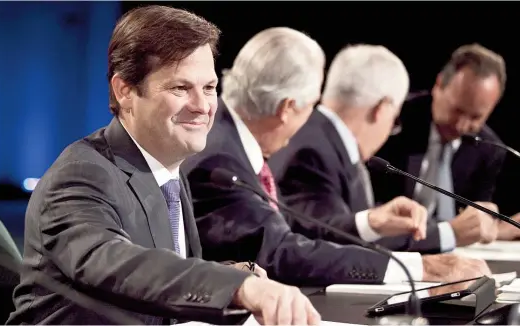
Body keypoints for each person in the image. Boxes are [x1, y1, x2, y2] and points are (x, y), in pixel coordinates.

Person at [8, 6, 320, 326]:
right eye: (180, 88)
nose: (203, 106)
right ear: (125, 91)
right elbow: (114, 262)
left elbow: (161, 280)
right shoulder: (81, 173)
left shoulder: (169, 170)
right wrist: (239, 288)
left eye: (209, 88)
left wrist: (232, 274)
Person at [182, 28, 491, 289]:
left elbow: (290, 230)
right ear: (287, 108)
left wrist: (371, 222)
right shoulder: (219, 163)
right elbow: (280, 253)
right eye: (311, 104)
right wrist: (421, 269)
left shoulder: (231, 142)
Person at [270, 44, 439, 252]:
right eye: (394, 120)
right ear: (381, 109)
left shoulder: (324, 139)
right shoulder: (312, 152)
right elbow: (327, 239)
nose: (389, 131)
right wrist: (447, 234)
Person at [370, 44, 505, 248]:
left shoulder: (490, 149)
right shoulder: (393, 121)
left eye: (476, 117)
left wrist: (494, 226)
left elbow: (477, 221)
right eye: (457, 110)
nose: (462, 125)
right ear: (439, 85)